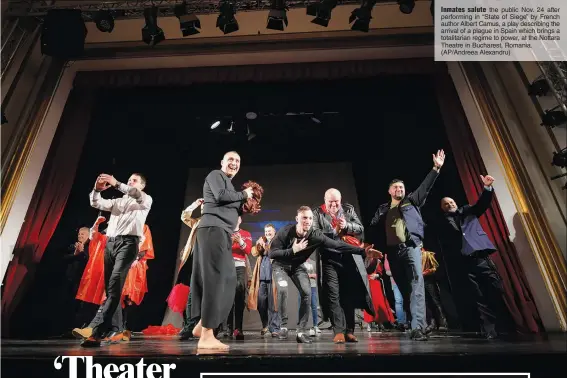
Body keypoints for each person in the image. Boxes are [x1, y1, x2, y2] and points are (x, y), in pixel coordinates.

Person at [269, 206, 382, 344]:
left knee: (307, 293)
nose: (308, 221)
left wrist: (363, 251)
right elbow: (272, 253)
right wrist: (292, 250)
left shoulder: (315, 235)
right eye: (304, 218)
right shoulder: (286, 232)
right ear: (297, 219)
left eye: (310, 218)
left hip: (297, 267)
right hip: (280, 265)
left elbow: (337, 245)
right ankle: (283, 326)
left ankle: (301, 331)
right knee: (282, 289)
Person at [369, 149, 445, 341]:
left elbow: (425, 187)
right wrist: (373, 247)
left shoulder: (412, 201)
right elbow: (374, 228)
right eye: (395, 188)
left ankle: (418, 327)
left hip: (411, 248)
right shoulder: (383, 209)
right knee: (405, 289)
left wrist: (436, 168)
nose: (399, 190)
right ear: (389, 191)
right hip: (392, 253)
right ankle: (418, 324)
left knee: (416, 285)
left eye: (401, 188)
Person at [190, 151, 255, 350]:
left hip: (221, 233)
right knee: (215, 280)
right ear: (222, 162)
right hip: (212, 230)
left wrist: (246, 205)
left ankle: (203, 325)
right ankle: (207, 335)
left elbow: (229, 202)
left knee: (228, 279)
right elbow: (220, 196)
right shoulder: (215, 175)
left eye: (237, 161)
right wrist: (244, 194)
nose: (234, 163)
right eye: (231, 160)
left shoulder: (229, 186)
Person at [81, 173, 152, 347]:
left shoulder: (144, 200)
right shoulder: (117, 202)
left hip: (128, 244)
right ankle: (105, 332)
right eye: (129, 180)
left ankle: (94, 329)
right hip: (111, 244)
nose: (130, 182)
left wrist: (117, 183)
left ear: (141, 186)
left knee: (113, 285)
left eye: (134, 181)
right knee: (111, 289)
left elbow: (134, 193)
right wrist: (97, 190)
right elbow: (95, 202)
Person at [438, 174, 506, 339]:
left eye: (451, 202)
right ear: (443, 208)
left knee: (495, 290)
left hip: (481, 258)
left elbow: (482, 204)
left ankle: (504, 326)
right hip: (465, 263)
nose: (450, 205)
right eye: (446, 204)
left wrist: (487, 188)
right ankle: (489, 331)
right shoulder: (442, 224)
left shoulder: (468, 211)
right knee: (478, 297)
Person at [312, 188, 373, 343]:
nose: (334, 205)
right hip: (329, 258)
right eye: (330, 202)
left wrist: (347, 226)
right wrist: (334, 231)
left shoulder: (348, 209)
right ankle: (338, 330)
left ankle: (349, 330)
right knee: (333, 294)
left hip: (348, 257)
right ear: (325, 200)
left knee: (348, 295)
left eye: (336, 201)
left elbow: (360, 228)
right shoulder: (317, 213)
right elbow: (315, 234)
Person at [248, 224, 280, 337]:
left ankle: (275, 328)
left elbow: (271, 252)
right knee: (261, 304)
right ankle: (265, 325)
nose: (267, 233)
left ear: (274, 231)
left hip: (273, 278)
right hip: (261, 278)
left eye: (269, 231)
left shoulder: (277, 241)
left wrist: (265, 245)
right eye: (266, 231)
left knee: (273, 304)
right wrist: (258, 244)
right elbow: (254, 252)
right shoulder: (262, 242)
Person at [223, 216, 252, 339]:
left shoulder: (245, 233)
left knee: (240, 293)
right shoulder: (225, 232)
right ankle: (228, 328)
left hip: (240, 266)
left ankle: (238, 329)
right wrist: (230, 241)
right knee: (228, 297)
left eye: (237, 218)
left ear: (240, 220)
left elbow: (248, 250)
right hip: (227, 266)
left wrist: (240, 241)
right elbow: (222, 250)